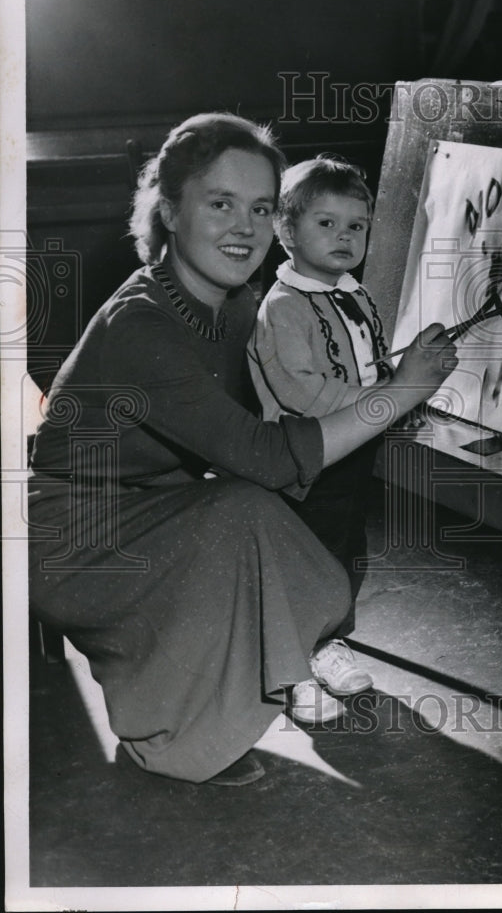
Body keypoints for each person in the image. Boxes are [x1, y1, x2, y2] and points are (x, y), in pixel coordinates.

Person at [27, 112, 457, 788]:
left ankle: (262, 673)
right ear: (168, 210)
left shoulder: (233, 304)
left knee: (254, 510)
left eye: (260, 207)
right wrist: (401, 393)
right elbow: (260, 454)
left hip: (156, 513)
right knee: (243, 506)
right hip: (69, 539)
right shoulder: (142, 323)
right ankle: (168, 730)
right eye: (220, 203)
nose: (245, 228)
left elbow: (264, 428)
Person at [248, 156, 391, 657]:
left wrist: (396, 378)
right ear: (286, 230)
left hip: (353, 446)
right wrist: (383, 400)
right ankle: (307, 648)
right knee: (314, 550)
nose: (344, 237)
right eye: (326, 224)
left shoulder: (355, 293)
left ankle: (331, 638)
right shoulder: (284, 305)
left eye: (356, 226)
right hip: (308, 456)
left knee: (349, 544)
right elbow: (302, 392)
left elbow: (370, 360)